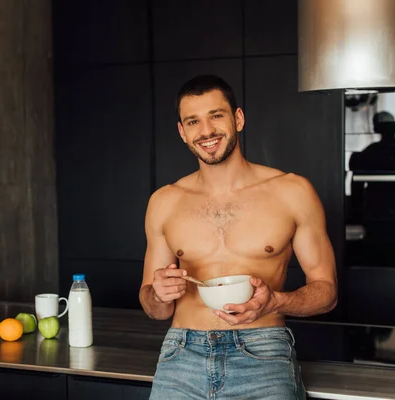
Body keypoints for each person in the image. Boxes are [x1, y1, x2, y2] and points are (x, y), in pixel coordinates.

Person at [139, 75, 338, 399]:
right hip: (182, 354)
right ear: (182, 132)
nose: (206, 131)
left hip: (262, 352)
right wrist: (159, 295)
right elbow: (153, 307)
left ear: (238, 119)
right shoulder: (164, 202)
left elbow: (327, 292)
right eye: (193, 121)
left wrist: (276, 301)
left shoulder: (292, 192)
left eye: (216, 116)